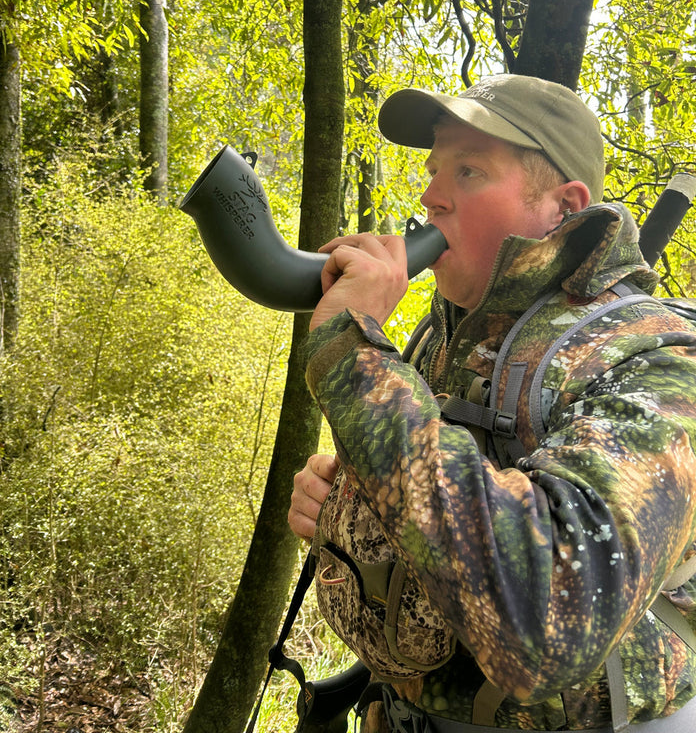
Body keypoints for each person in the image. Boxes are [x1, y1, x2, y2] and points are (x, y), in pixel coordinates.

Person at [288, 73, 696, 733]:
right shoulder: (442, 335)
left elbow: (550, 617)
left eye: (469, 171)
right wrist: (344, 506)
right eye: (434, 170)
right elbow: (440, 505)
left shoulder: (660, 357)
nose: (431, 196)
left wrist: (353, 358)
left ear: (564, 204)